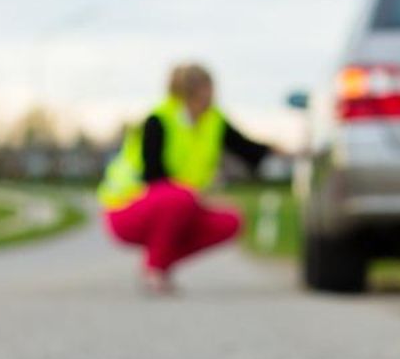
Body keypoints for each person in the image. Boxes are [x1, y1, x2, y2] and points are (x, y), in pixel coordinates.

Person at [98, 63, 275, 293]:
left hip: (182, 205)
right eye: (208, 89)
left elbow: (248, 150)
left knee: (231, 221)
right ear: (192, 91)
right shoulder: (159, 119)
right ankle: (154, 269)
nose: (213, 95)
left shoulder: (213, 120)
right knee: (181, 197)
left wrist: (281, 151)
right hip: (128, 208)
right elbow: (153, 176)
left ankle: (161, 263)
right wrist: (189, 196)